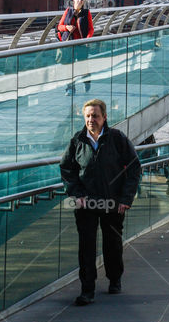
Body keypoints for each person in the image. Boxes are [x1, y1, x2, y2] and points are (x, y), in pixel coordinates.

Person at [60, 99, 141, 305]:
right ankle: (87, 290)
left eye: (95, 116)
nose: (91, 120)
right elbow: (67, 169)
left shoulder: (117, 139)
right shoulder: (77, 141)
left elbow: (134, 168)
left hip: (113, 203)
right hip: (86, 204)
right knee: (86, 247)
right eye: (87, 116)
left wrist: (126, 198)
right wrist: (76, 195)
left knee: (112, 244)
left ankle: (115, 279)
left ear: (104, 117)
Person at [58, 0, 95, 94]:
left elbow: (91, 29)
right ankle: (70, 88)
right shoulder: (68, 11)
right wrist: (67, 27)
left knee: (83, 66)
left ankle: (87, 81)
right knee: (70, 68)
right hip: (69, 44)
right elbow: (59, 26)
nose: (80, 1)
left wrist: (87, 39)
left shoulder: (86, 13)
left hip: (82, 44)